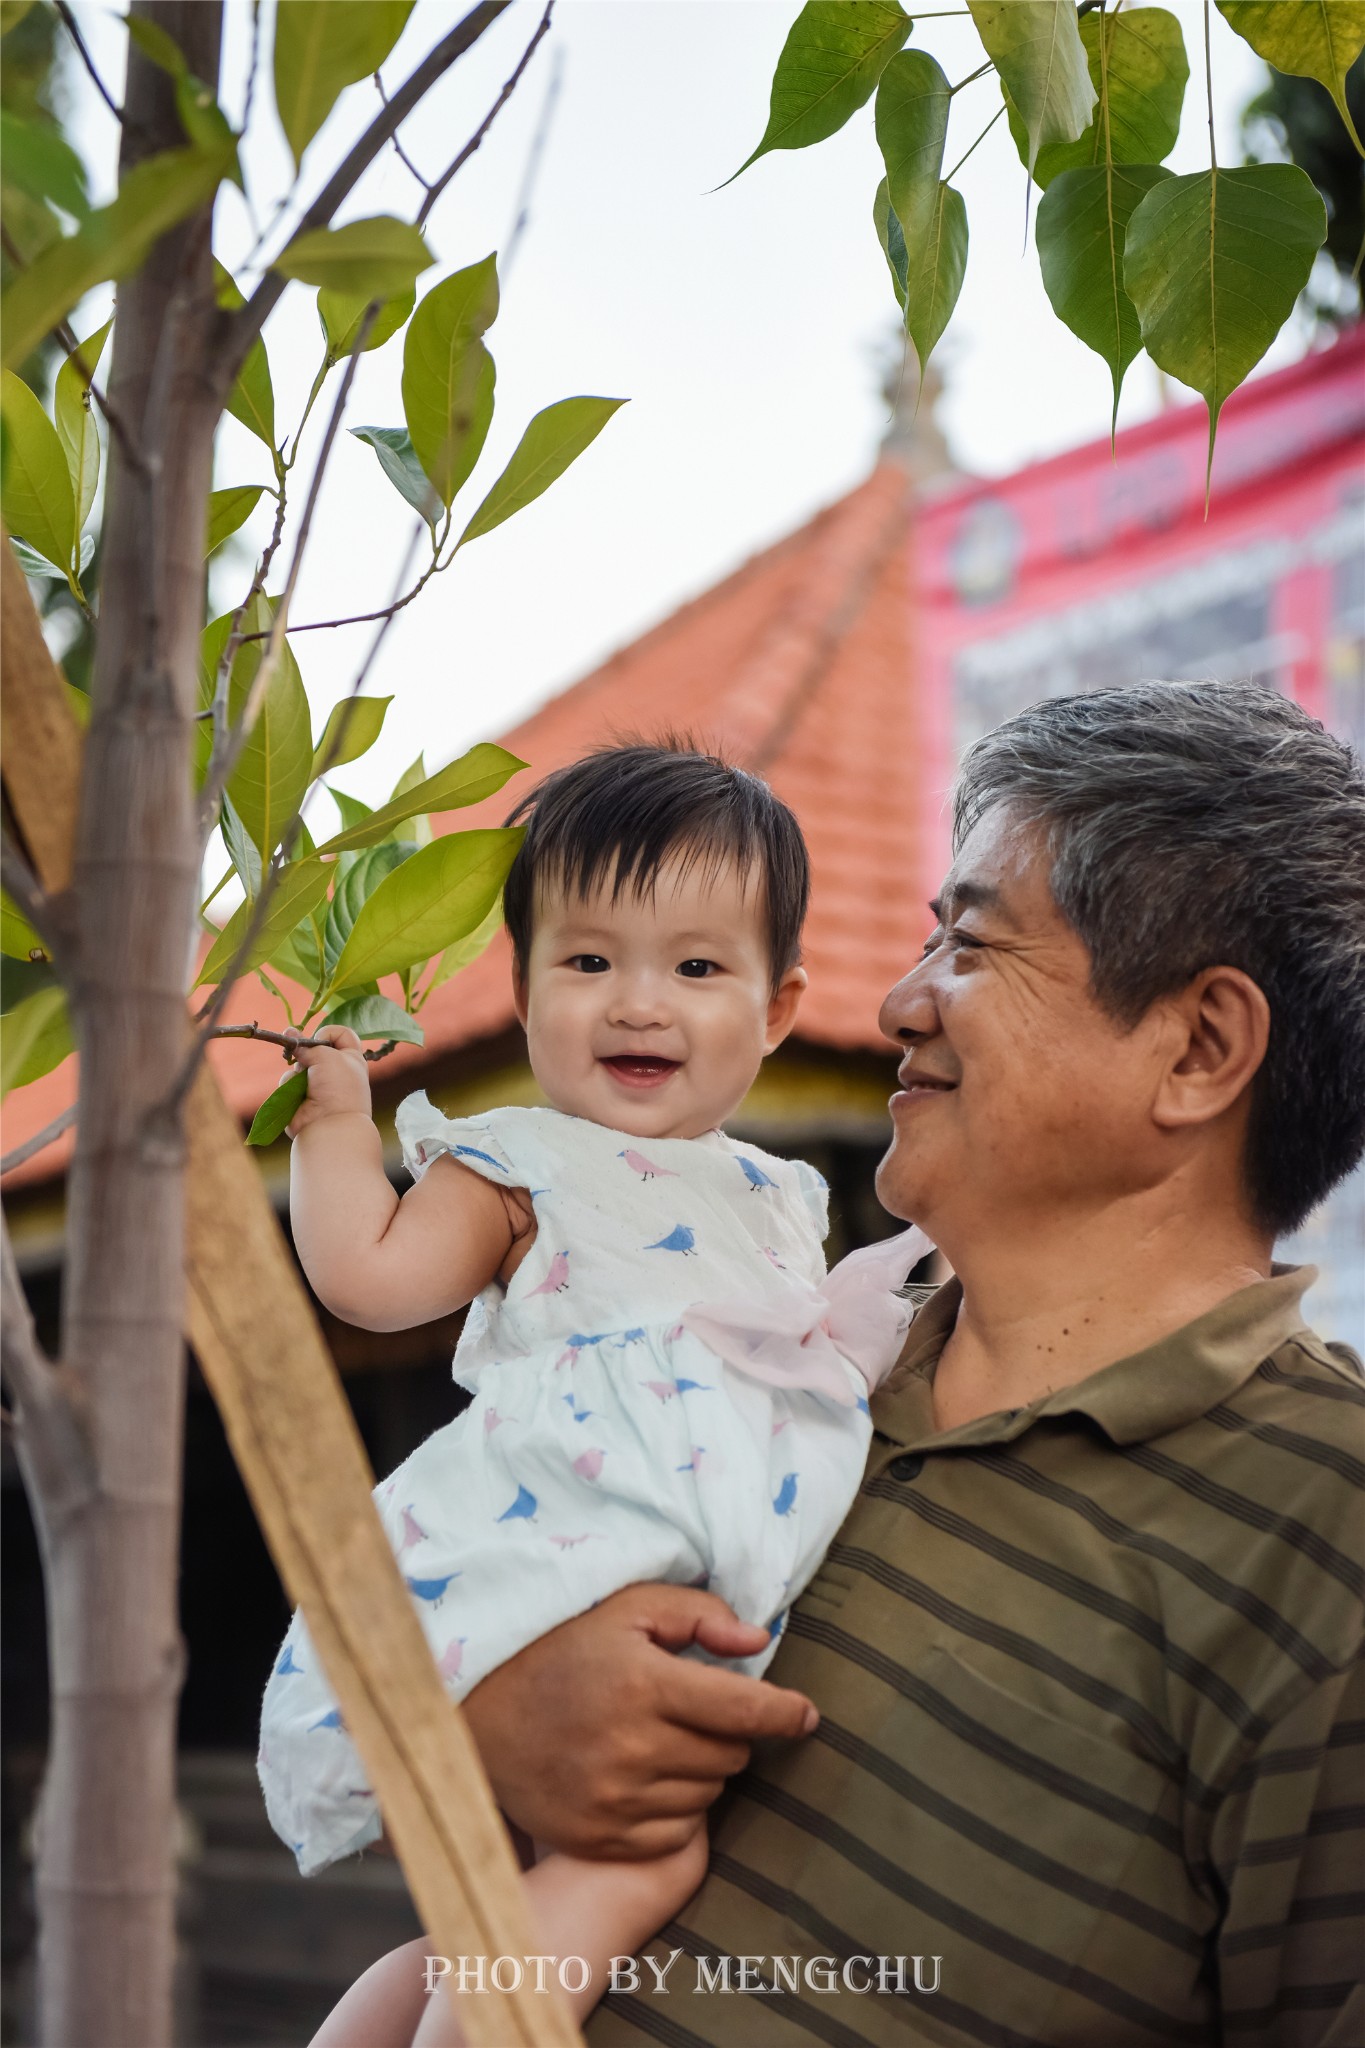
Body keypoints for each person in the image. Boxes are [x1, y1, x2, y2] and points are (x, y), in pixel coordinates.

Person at [453, 681, 1365, 2047]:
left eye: (970, 946)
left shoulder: (1331, 1519)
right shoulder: (782, 1348)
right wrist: (497, 1712)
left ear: (1196, 1048)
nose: (896, 1001)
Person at [256, 743, 928, 2046]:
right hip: (560, 1556)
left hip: (711, 1567)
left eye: (693, 966)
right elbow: (371, 1280)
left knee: (491, 1912)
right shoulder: (518, 1162)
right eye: (587, 962)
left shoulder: (782, 1195)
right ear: (519, 989)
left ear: (777, 1005)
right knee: (640, 1867)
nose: (637, 1005)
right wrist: (335, 1127)